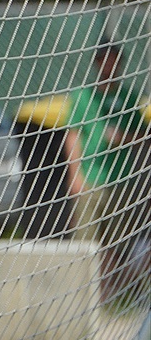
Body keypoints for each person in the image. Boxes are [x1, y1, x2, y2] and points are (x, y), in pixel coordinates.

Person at [64, 40, 150, 304]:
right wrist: (75, 176)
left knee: (117, 242)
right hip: (91, 179)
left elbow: (143, 136)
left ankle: (112, 296)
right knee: (87, 243)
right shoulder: (82, 96)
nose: (109, 66)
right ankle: (86, 298)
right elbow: (73, 135)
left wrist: (122, 137)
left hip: (120, 180)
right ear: (97, 64)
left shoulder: (129, 98)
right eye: (104, 61)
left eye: (114, 60)